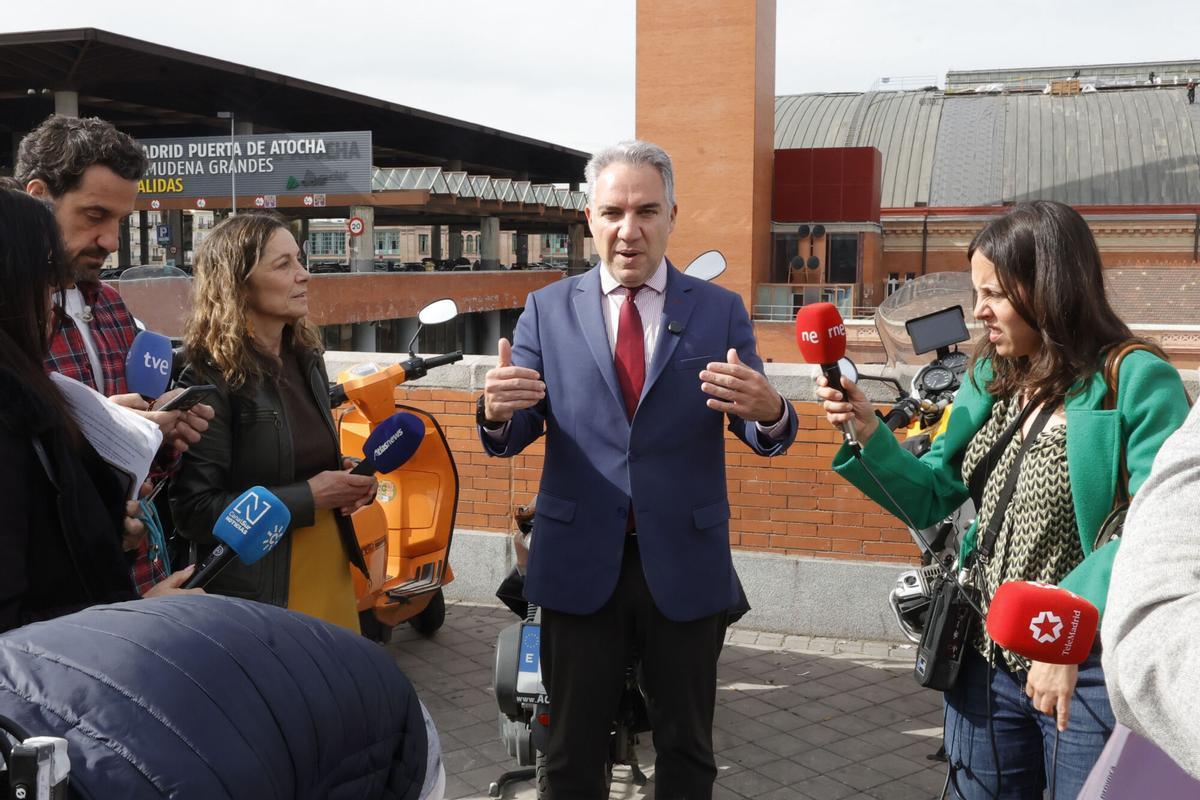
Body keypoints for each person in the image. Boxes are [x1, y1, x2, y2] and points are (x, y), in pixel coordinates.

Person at [817, 200, 1189, 798]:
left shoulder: (1135, 379)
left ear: (1049, 288)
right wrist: (868, 432)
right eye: (975, 292)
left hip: (1081, 667)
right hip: (982, 654)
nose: (978, 312)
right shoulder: (992, 374)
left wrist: (1063, 629)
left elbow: (1158, 531)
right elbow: (932, 493)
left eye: (994, 293)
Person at [479, 140, 798, 800]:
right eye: (614, 212)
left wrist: (771, 411)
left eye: (647, 210)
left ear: (673, 215)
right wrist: (494, 412)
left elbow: (758, 423)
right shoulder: (547, 308)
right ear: (589, 219)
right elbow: (517, 429)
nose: (630, 230)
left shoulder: (717, 311)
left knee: (688, 748)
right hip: (576, 561)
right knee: (567, 752)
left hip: (683, 561)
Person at [15, 114, 213, 592]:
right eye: (94, 215)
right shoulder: (12, 321)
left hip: (136, 576)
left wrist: (163, 436)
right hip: (53, 600)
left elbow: (143, 477)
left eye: (120, 222)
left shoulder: (113, 307)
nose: (110, 241)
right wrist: (99, 429)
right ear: (38, 198)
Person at [0, 188, 201, 633]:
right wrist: (129, 616)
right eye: (46, 287)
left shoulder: (112, 307)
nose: (110, 240)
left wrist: (107, 522)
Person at [170, 213, 376, 633]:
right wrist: (308, 497)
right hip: (262, 593)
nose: (304, 276)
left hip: (330, 567)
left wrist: (346, 482)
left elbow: (304, 462)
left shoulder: (307, 360)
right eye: (284, 265)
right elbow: (194, 511)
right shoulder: (208, 377)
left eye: (300, 261)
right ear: (237, 282)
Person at [1102, 402, 1200, 781]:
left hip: (1082, 651)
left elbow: (1134, 530)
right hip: (991, 651)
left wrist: (1064, 614)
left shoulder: (1135, 375)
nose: (987, 338)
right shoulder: (991, 388)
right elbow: (938, 495)